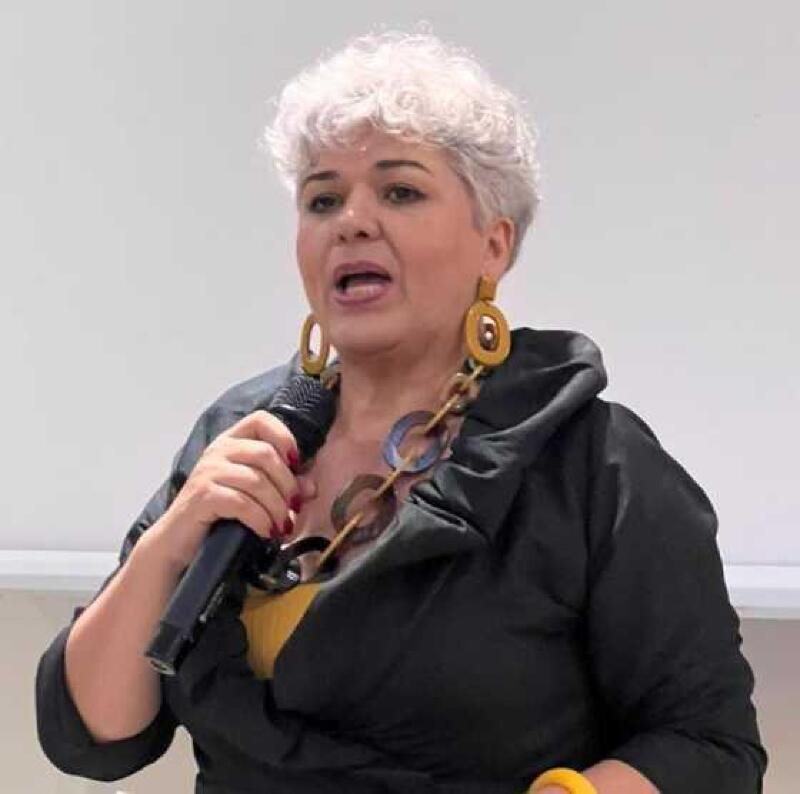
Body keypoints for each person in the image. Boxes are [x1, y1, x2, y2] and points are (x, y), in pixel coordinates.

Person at [35, 30, 767, 794]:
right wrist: (166, 547)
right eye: (323, 199)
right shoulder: (244, 431)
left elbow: (708, 745)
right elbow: (95, 738)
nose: (351, 221)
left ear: (493, 245)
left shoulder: (592, 463)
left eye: (400, 192)